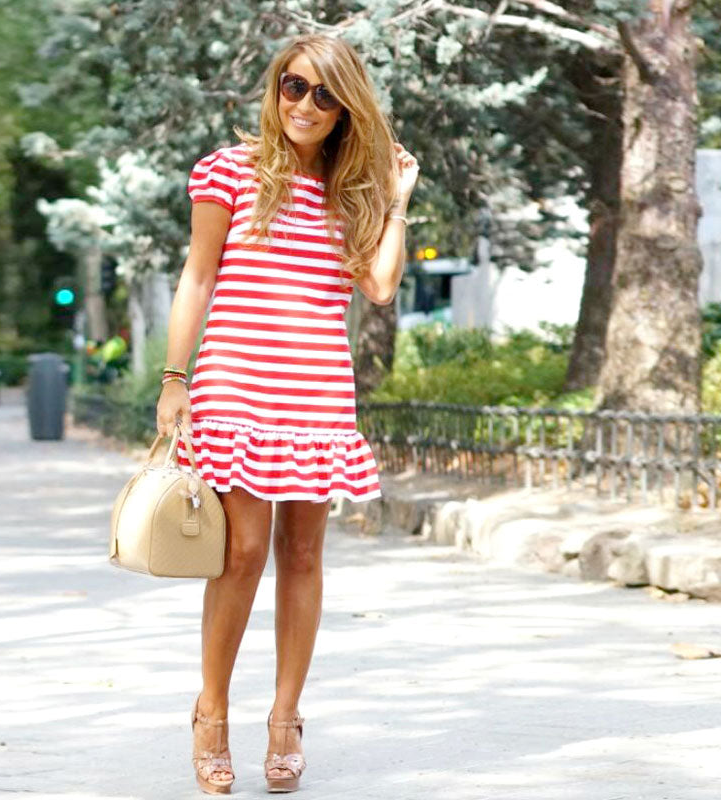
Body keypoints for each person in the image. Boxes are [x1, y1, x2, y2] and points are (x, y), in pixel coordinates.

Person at [155, 33, 419, 795]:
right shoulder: (230, 170)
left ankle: (285, 718)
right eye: (294, 87)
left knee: (302, 558)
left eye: (325, 95)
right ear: (277, 89)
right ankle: (211, 714)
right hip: (236, 386)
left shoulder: (353, 189)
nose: (305, 104)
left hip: (317, 394)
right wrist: (176, 379)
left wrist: (395, 201)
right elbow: (198, 278)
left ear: (347, 109)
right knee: (241, 554)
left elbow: (378, 287)